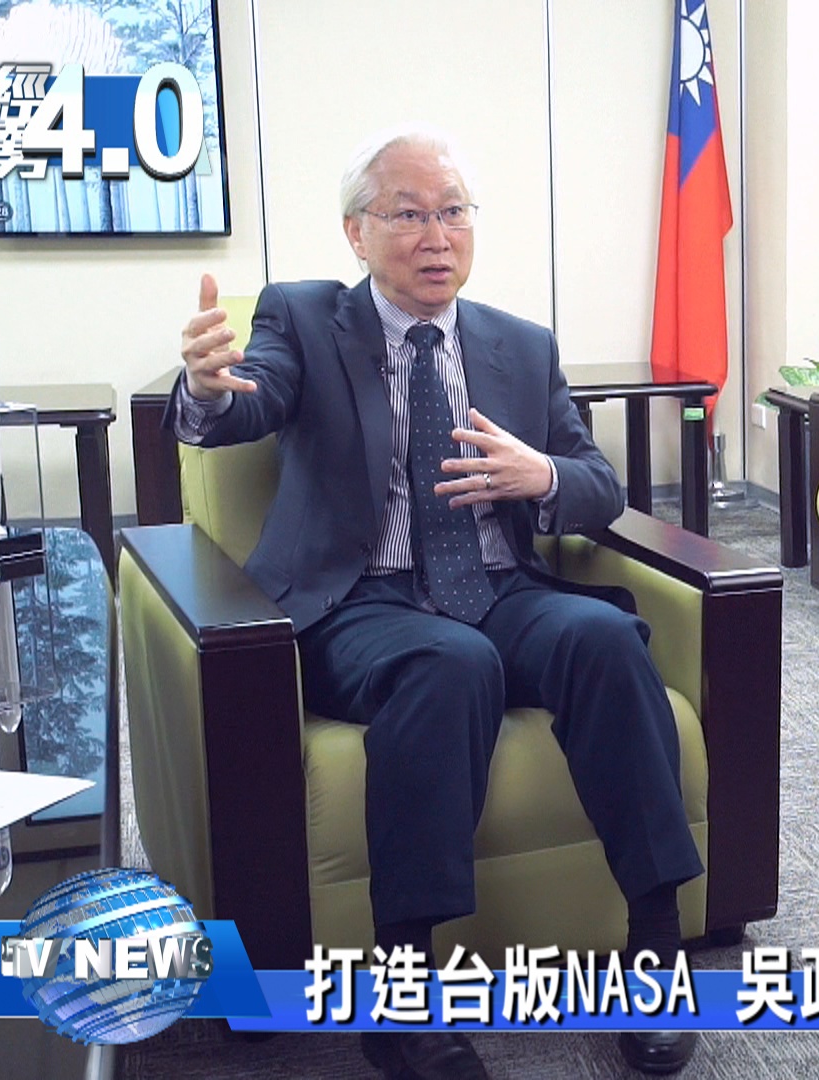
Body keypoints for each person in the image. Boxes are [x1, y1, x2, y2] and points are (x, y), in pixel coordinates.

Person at [171, 124, 702, 1080]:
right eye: (408, 214)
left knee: (605, 639)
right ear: (357, 232)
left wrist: (542, 474)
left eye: (453, 212)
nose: (436, 237)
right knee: (449, 663)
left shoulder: (520, 345)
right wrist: (209, 389)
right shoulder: (304, 318)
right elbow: (250, 402)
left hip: (500, 586)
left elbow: (598, 483)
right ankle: (405, 991)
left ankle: (655, 947)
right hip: (360, 599)